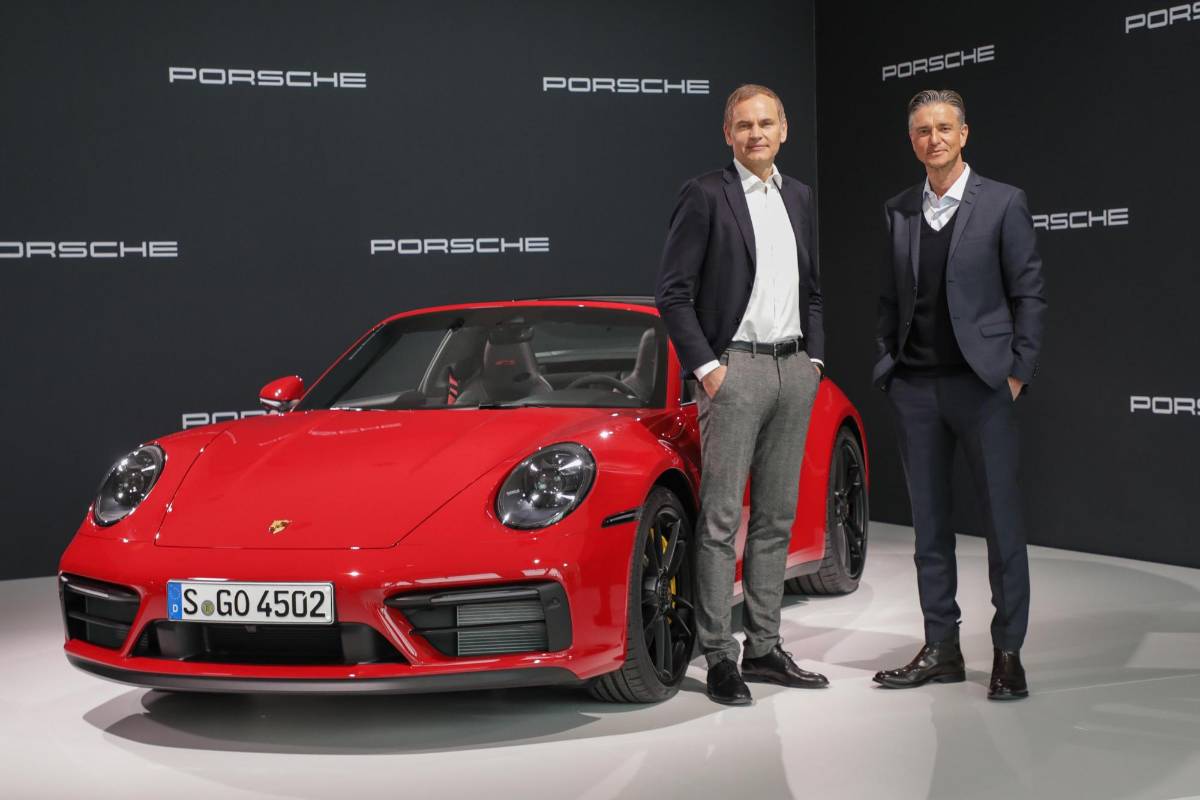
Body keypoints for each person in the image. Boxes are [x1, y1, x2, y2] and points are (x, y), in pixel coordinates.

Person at [872, 89, 1046, 700]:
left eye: (944, 128)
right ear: (912, 140)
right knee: (929, 529)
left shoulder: (1003, 202)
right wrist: (889, 366)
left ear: (964, 134)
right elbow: (890, 298)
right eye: (923, 131)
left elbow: (1029, 293)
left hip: (983, 386)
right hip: (916, 389)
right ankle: (941, 647)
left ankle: (1008, 652)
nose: (934, 139)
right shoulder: (899, 210)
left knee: (1002, 525)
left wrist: (1017, 371)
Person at [655, 84, 826, 706]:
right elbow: (672, 292)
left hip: (792, 370)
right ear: (727, 134)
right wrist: (709, 370)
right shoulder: (705, 195)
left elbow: (812, 290)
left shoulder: (799, 196)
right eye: (744, 125)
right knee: (722, 519)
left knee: (776, 517)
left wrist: (814, 361)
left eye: (766, 123)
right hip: (735, 371)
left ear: (784, 130)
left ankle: (765, 647)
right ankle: (719, 655)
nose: (756, 134)